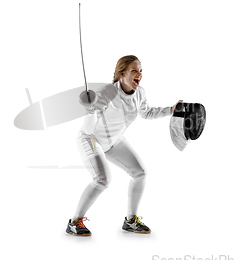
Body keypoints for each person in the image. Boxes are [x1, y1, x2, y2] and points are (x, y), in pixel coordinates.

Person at [66, 55, 182, 236]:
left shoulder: (141, 93)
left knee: (140, 173)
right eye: (134, 70)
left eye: (141, 71)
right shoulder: (106, 92)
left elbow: (147, 113)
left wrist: (171, 110)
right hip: (91, 140)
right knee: (102, 180)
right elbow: (88, 129)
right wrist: (89, 110)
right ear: (122, 73)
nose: (139, 74)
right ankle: (74, 222)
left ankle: (130, 221)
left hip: (113, 140)